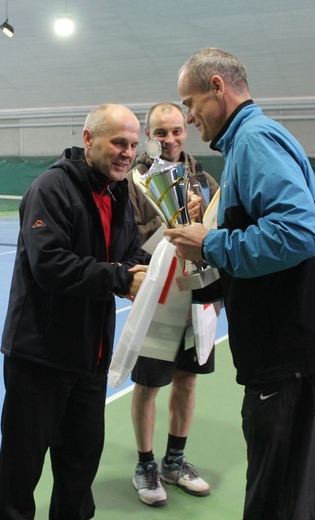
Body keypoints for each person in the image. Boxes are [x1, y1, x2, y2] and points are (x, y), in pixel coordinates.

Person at [165, 47, 315, 519]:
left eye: (190, 103)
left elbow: (297, 233)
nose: (189, 118)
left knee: (281, 502)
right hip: (289, 356)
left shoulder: (254, 140)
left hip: (292, 358)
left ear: (218, 87)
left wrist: (210, 244)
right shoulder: (249, 142)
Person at [0, 104, 148, 520]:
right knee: (20, 474)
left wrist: (149, 265)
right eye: (118, 142)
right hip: (38, 357)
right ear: (88, 139)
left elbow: (130, 252)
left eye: (133, 144)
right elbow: (50, 265)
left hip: (91, 360)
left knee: (79, 472)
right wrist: (119, 277)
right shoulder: (51, 188)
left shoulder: (120, 192)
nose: (126, 152)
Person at [125, 102, 220, 507]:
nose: (170, 140)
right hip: (158, 296)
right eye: (161, 133)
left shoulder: (204, 178)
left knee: (188, 379)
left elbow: (220, 234)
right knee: (148, 384)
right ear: (149, 135)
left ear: (187, 131)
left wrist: (202, 223)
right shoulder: (134, 180)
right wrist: (171, 228)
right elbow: (127, 241)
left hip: (199, 295)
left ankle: (174, 461)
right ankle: (145, 464)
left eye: (177, 131)